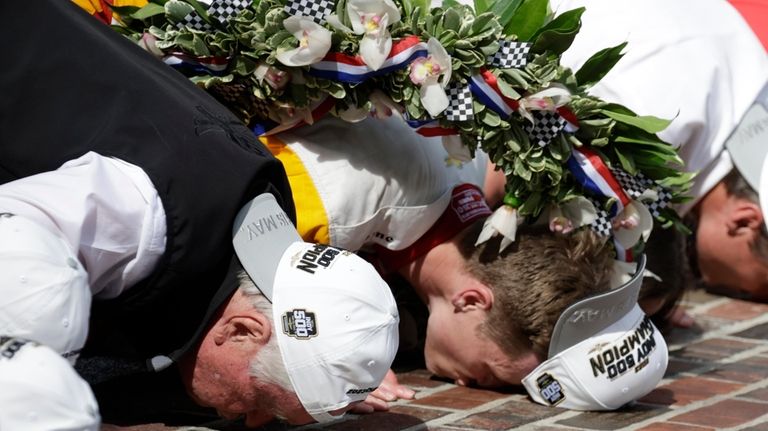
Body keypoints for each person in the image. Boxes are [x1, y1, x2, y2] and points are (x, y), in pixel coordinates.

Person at [0, 1, 400, 428]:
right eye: (260, 404)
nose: (250, 421)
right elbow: (17, 253)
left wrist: (321, 381)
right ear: (244, 331)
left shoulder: (256, 211)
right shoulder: (144, 215)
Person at [260, 113, 669, 410]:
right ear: (471, 301)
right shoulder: (327, 210)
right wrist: (324, 350)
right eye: (484, 375)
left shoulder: (470, 161)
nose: (462, 382)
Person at [549, 0, 768, 302]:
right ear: (745, 221)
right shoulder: (652, 130)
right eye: (745, 291)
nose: (725, 290)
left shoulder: (755, 81)